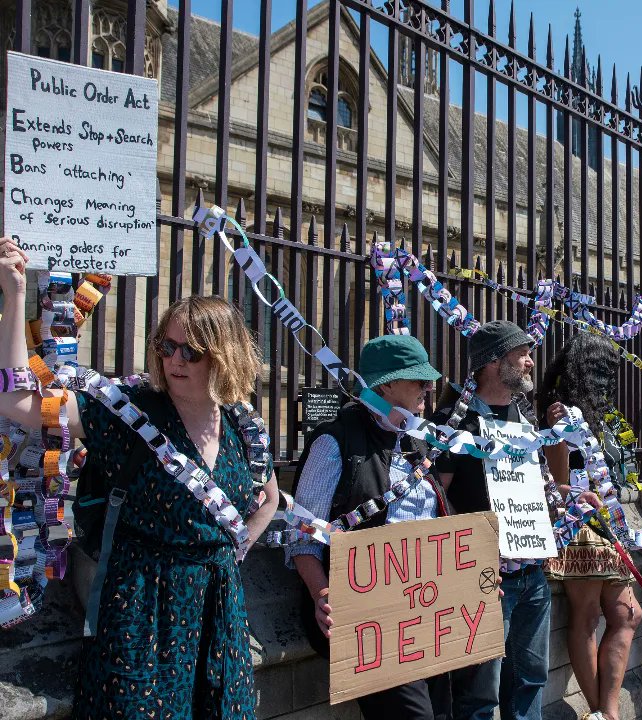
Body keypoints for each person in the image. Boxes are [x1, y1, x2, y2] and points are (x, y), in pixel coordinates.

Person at [0, 238, 280, 719]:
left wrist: (231, 551)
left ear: (223, 354)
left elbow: (269, 497)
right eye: (165, 346)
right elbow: (16, 402)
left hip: (219, 606)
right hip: (142, 608)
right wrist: (14, 292)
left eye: (190, 351)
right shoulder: (129, 414)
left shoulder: (240, 424)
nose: (175, 360)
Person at [431, 320, 590, 720]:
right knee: (480, 691)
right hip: (486, 578)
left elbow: (533, 480)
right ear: (493, 362)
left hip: (532, 571)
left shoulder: (522, 416)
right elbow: (436, 493)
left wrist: (566, 496)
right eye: (522, 355)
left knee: (530, 678)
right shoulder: (455, 421)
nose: (531, 363)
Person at [288, 334, 452, 720]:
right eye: (418, 380)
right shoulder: (335, 441)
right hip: (369, 618)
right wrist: (322, 594)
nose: (429, 388)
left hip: (425, 609)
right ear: (386, 385)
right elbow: (303, 534)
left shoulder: (417, 441)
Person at [535, 334, 640, 720]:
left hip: (605, 522)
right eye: (603, 370)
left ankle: (605, 712)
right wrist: (558, 436)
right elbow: (558, 482)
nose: (609, 378)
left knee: (629, 615)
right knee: (589, 615)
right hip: (576, 524)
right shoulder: (559, 410)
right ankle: (604, 712)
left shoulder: (597, 410)